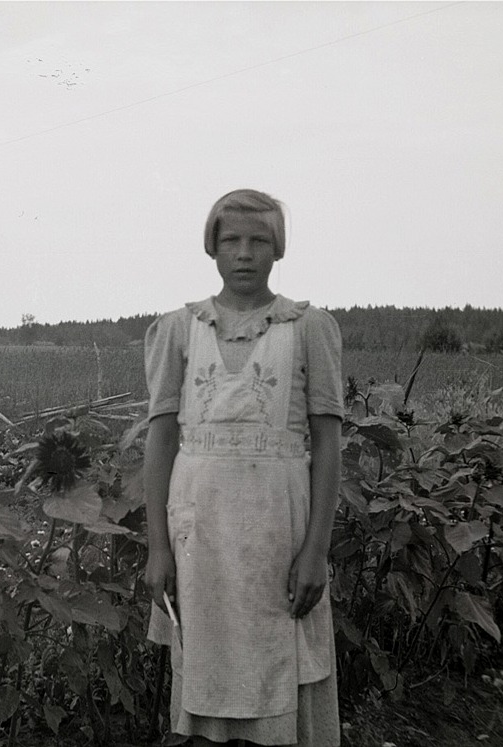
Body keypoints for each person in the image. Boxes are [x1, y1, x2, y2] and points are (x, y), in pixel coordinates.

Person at [143, 189, 343, 746]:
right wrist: (158, 547)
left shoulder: (308, 327)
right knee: (206, 666)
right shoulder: (179, 329)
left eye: (259, 241)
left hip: (279, 533)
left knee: (277, 664)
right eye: (231, 240)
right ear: (212, 248)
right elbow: (160, 443)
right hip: (198, 533)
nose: (245, 253)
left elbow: (328, 446)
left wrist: (315, 553)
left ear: (278, 250)